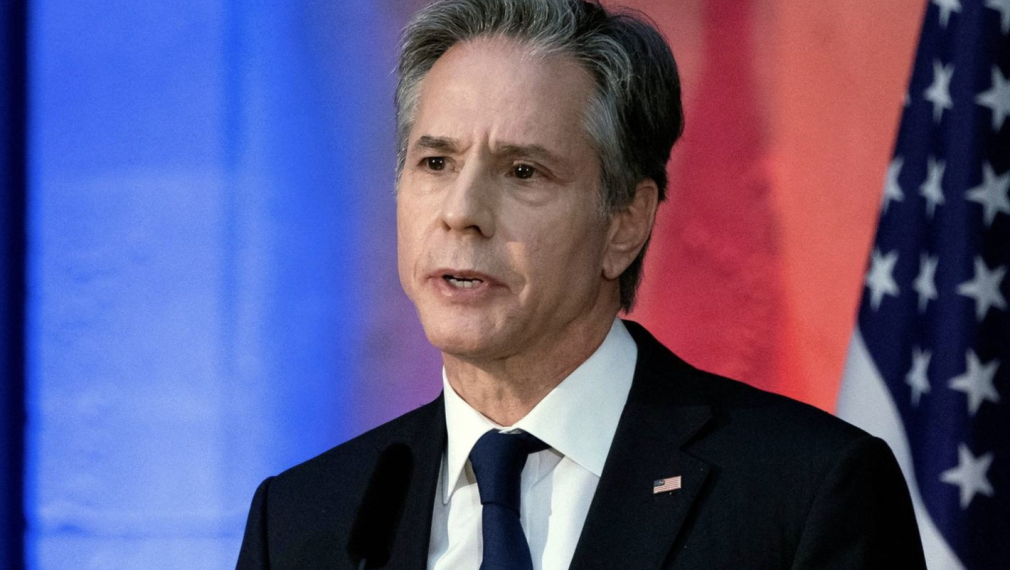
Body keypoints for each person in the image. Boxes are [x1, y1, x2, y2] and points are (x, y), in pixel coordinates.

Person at [236, 0, 927, 568]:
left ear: (625, 222)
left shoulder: (804, 493)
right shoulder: (302, 521)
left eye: (523, 172)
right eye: (436, 162)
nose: (461, 212)